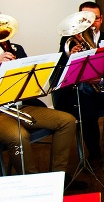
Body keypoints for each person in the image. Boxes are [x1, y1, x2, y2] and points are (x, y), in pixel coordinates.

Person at [53, 1, 104, 161]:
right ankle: (94, 153)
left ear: (102, 19)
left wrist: (102, 79)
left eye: (95, 19)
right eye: (86, 19)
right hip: (82, 91)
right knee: (87, 117)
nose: (91, 24)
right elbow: (60, 70)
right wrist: (70, 56)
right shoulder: (68, 41)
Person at [0, 31, 78, 181]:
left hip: (20, 106)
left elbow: (31, 80)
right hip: (1, 114)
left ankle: (58, 177)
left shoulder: (16, 48)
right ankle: (32, 183)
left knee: (67, 121)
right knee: (19, 136)